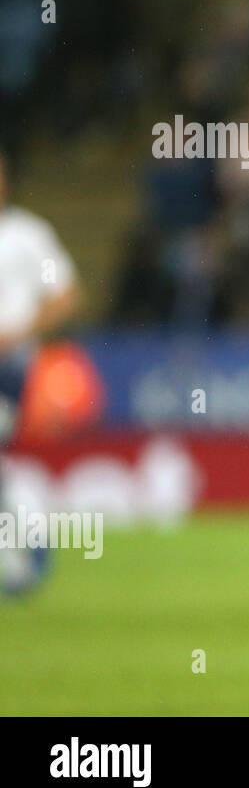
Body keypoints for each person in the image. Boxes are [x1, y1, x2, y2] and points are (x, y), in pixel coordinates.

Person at [0, 150, 81, 595]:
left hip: (8, 366)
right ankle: (26, 540)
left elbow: (66, 294)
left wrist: (18, 332)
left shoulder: (27, 235)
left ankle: (25, 550)